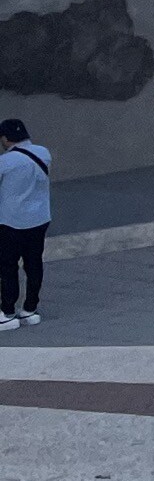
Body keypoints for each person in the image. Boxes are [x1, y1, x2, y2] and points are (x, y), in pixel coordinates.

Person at [0, 118, 47, 330]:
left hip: (12, 221)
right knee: (34, 263)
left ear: (5, 138)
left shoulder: (6, 162)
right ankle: (30, 309)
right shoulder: (43, 153)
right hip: (39, 218)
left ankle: (7, 312)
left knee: (8, 266)